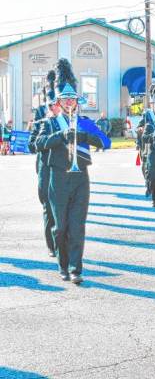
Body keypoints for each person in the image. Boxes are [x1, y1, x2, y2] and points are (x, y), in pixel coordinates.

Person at [35, 58, 109, 284]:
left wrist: (87, 137)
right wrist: (59, 137)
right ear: (60, 101)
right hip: (57, 178)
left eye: (72, 99)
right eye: (65, 99)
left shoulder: (85, 122)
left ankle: (76, 268)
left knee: (77, 225)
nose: (69, 102)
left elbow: (106, 142)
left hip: (80, 179)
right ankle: (63, 264)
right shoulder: (49, 123)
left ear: (77, 101)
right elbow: (37, 144)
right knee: (60, 227)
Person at [28, 70, 57, 257]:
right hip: (45, 165)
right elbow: (32, 145)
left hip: (64, 167)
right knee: (47, 204)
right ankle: (51, 244)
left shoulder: (71, 115)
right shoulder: (40, 113)